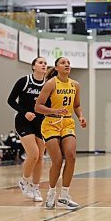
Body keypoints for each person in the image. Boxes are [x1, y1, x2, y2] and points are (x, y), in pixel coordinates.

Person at [35, 57, 86, 210]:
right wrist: (54, 111)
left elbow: (77, 105)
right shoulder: (50, 84)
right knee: (57, 160)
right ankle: (51, 193)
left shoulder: (75, 85)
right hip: (50, 123)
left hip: (67, 122)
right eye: (63, 63)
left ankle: (64, 195)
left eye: (69, 63)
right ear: (56, 67)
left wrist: (81, 116)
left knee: (71, 156)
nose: (67, 65)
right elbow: (38, 107)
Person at [7, 57, 47, 202]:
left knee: (41, 157)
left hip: (40, 123)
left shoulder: (47, 85)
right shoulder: (24, 81)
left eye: (45, 63)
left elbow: (47, 104)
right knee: (34, 154)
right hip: (23, 121)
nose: (43, 64)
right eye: (40, 62)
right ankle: (24, 181)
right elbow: (11, 100)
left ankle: (36, 188)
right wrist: (24, 112)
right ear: (33, 66)